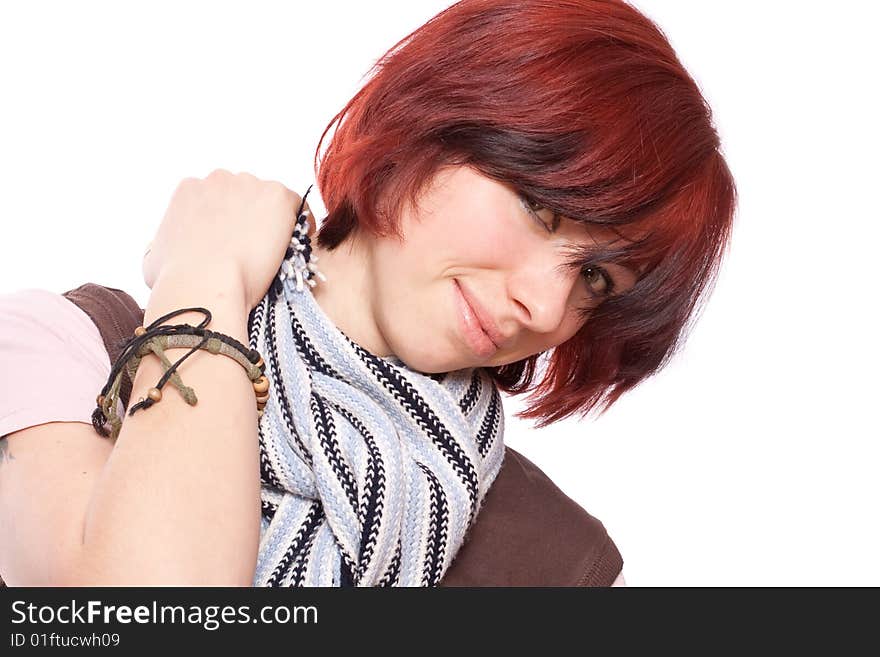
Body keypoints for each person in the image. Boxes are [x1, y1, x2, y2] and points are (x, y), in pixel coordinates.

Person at [0, 0, 736, 586]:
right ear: (426, 126)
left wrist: (203, 271)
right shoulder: (65, 351)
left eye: (594, 279)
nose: (545, 309)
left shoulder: (556, 560)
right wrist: (204, 283)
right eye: (540, 210)